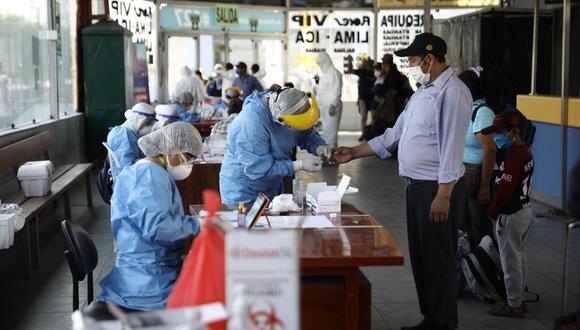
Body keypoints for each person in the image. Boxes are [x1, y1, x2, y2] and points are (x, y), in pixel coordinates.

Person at [332, 33, 471, 330]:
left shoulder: (452, 93)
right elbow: (394, 135)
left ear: (429, 60)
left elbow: (452, 146)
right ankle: (431, 318)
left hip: (436, 189)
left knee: (439, 259)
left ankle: (444, 324)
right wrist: (354, 152)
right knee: (422, 259)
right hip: (417, 188)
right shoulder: (423, 93)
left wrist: (444, 192)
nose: (408, 66)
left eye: (412, 61)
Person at [97, 122, 203, 311]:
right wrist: (197, 224)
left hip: (144, 267)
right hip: (149, 281)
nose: (188, 164)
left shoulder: (140, 170)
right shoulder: (151, 176)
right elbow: (157, 228)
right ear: (171, 149)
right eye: (187, 157)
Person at [219, 87, 331, 207]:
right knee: (248, 224)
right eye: (291, 125)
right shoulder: (252, 123)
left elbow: (304, 131)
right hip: (244, 191)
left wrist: (319, 146)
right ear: (281, 120)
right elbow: (257, 169)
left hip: (272, 186)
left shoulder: (289, 104)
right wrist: (299, 165)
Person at [481, 110, 534, 318]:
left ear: (514, 131)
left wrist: (493, 212)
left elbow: (504, 190)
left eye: (501, 133)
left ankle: (514, 304)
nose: (496, 138)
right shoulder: (525, 152)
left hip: (511, 214)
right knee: (519, 257)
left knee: (510, 261)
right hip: (524, 210)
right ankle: (518, 296)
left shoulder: (514, 158)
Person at [457, 67, 496, 249]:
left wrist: (485, 186)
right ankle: (467, 271)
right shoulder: (466, 109)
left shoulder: (481, 112)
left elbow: (489, 150)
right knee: (463, 228)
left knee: (480, 230)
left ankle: (484, 271)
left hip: (478, 177)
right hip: (464, 177)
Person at [105, 102, 156, 182]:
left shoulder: (131, 133)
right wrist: (153, 160)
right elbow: (127, 166)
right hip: (125, 183)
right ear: (137, 120)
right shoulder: (123, 134)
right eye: (148, 123)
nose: (150, 127)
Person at [316, 51, 343, 148]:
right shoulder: (325, 74)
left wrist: (333, 104)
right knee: (326, 131)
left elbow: (337, 90)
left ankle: (331, 155)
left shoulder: (335, 74)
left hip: (331, 108)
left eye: (320, 64)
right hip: (324, 108)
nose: (320, 66)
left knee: (331, 133)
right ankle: (328, 153)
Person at [347, 54, 375, 141]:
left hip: (372, 99)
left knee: (374, 117)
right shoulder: (362, 71)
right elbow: (350, 71)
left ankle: (371, 133)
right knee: (363, 117)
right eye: (367, 64)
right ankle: (364, 134)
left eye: (370, 64)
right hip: (362, 98)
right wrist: (350, 61)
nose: (368, 65)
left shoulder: (375, 73)